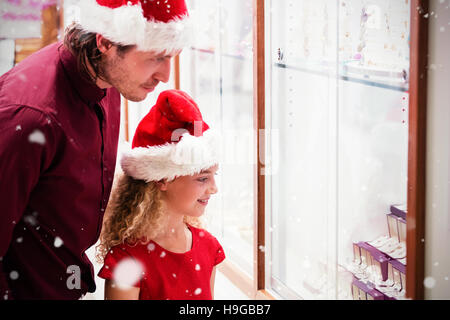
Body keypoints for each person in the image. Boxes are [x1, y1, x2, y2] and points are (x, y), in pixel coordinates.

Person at [0, 0, 192, 300]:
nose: (165, 75)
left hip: (66, 279)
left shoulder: (108, 80)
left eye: (171, 57)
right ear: (105, 42)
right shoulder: (31, 115)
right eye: (156, 57)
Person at [96, 89, 225, 300]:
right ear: (163, 179)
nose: (214, 188)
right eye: (203, 178)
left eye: (214, 175)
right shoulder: (128, 260)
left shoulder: (208, 246)